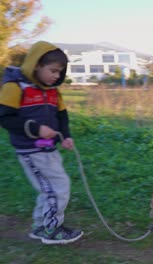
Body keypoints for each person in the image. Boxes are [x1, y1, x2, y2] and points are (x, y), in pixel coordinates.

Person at [0, 41, 83, 245]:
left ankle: (41, 226)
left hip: (49, 148)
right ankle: (51, 229)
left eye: (59, 72)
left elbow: (62, 115)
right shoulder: (15, 86)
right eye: (53, 70)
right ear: (36, 65)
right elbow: (5, 117)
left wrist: (66, 135)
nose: (56, 76)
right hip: (30, 150)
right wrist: (36, 129)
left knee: (49, 189)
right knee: (58, 187)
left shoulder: (53, 90)